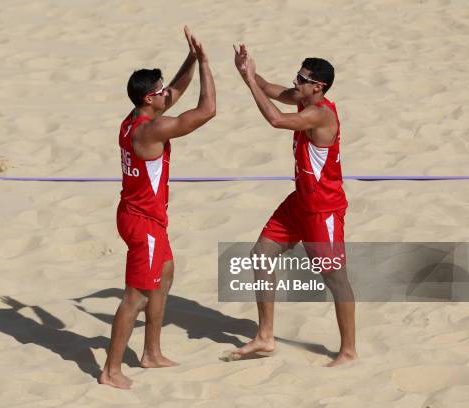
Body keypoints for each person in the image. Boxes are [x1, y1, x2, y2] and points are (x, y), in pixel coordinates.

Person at [99, 26, 216, 389]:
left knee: (164, 276)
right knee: (134, 298)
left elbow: (176, 92)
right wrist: (209, 64)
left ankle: (150, 353)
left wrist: (192, 58)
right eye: (161, 92)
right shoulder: (150, 131)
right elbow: (207, 109)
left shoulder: (134, 117)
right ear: (150, 100)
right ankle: (111, 371)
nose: (167, 94)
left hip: (139, 215)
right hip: (142, 222)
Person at [230, 44, 357, 367]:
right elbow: (269, 88)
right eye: (296, 76)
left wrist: (248, 82)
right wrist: (248, 69)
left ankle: (348, 350)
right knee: (261, 254)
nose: (295, 83)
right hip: (299, 201)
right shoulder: (304, 98)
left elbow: (274, 119)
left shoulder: (319, 113)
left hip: (323, 209)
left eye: (301, 79)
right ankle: (265, 336)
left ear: (319, 87)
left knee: (335, 278)